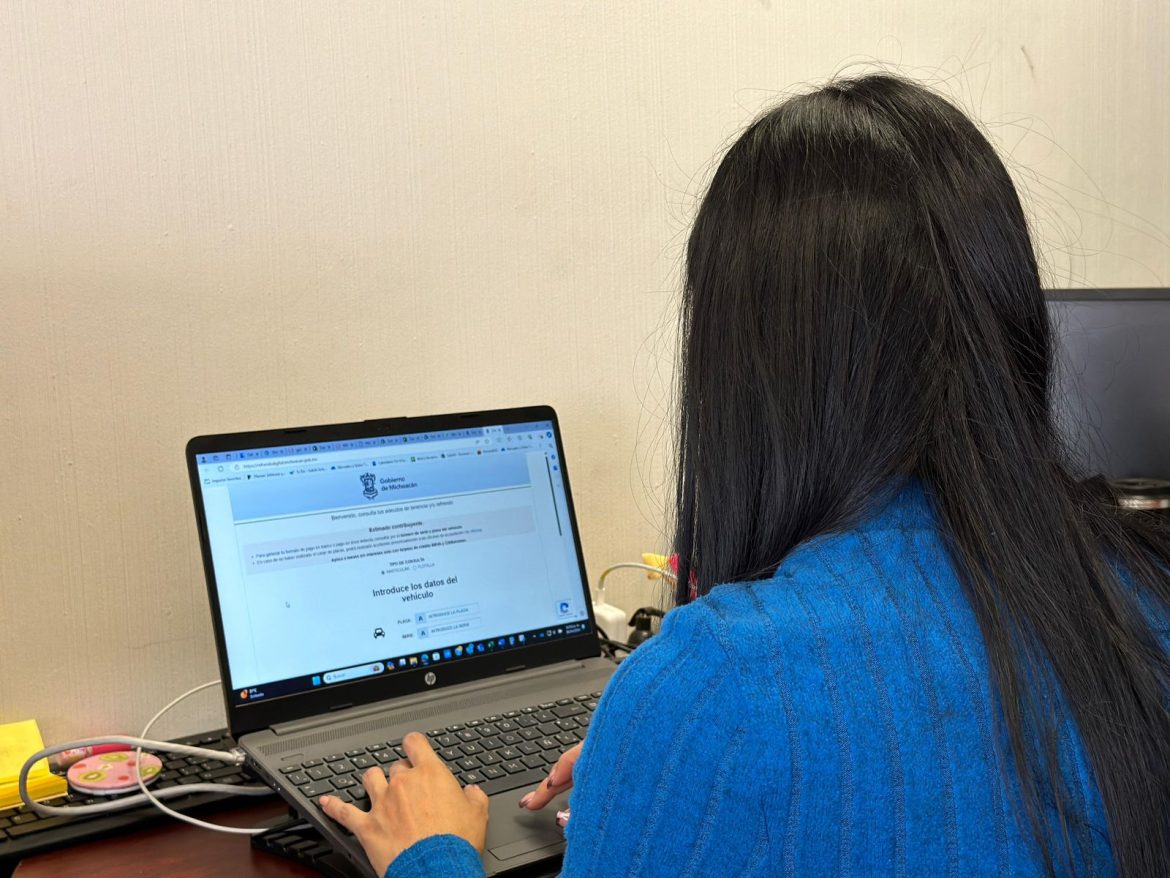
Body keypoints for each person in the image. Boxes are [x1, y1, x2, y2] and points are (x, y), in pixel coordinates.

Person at [319, 74, 1170, 877]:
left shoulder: (717, 681)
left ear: (744, 363)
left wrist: (431, 851)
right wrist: (657, 772)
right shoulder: (1142, 600)